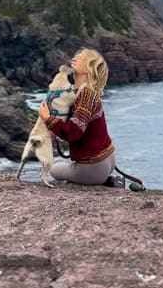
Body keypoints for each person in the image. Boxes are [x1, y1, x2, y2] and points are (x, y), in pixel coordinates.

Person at [38, 48, 116, 185]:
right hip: (107, 159)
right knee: (61, 166)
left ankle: (93, 179)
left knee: (54, 169)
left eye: (83, 57)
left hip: (94, 166)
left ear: (89, 69)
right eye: (78, 54)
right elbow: (82, 129)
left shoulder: (85, 95)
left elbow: (74, 132)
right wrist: (56, 128)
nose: (76, 56)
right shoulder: (87, 93)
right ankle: (103, 179)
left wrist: (48, 118)